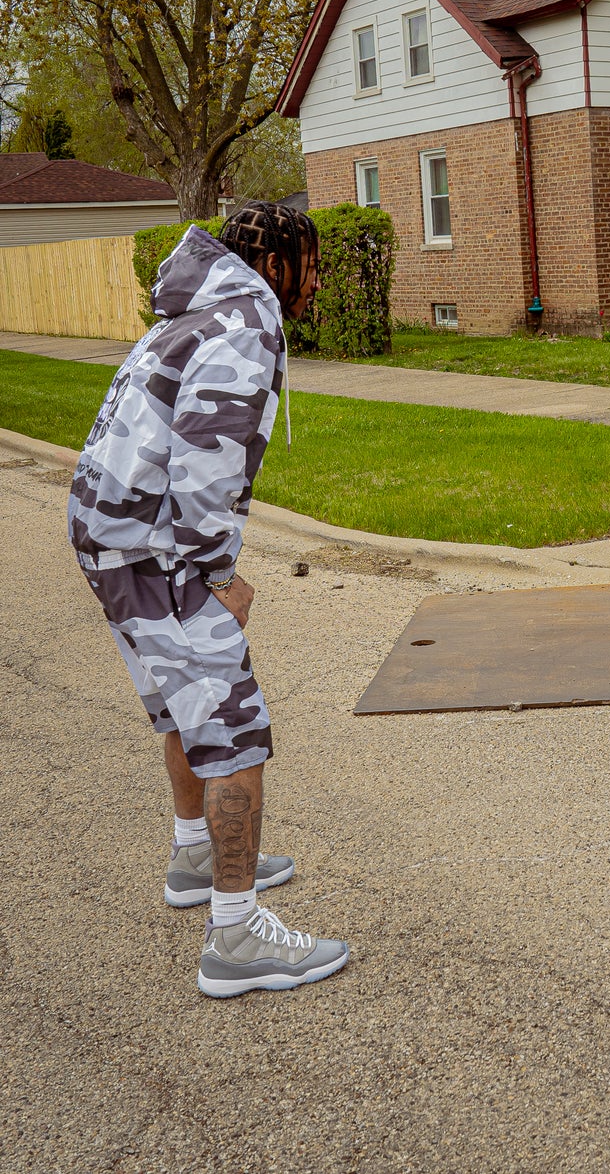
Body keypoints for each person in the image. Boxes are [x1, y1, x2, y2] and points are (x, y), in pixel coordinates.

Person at [68, 201, 352, 995]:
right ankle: (235, 938)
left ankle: (196, 854)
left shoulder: (199, 311)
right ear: (275, 265)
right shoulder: (243, 324)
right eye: (311, 261)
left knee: (180, 706)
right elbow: (205, 462)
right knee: (233, 732)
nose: (317, 278)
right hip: (157, 549)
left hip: (110, 532)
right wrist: (218, 576)